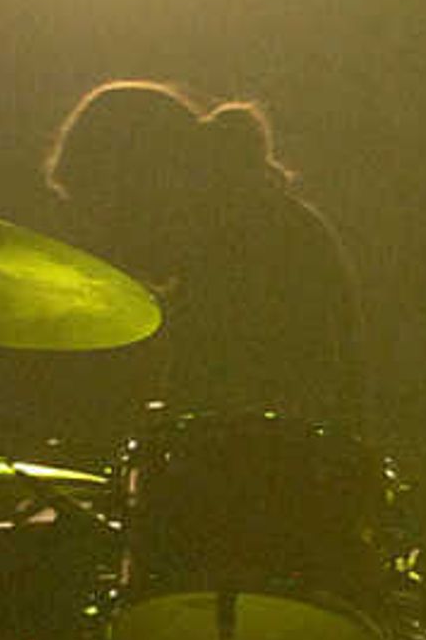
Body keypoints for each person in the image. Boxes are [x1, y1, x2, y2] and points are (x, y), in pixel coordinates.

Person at [42, 77, 369, 439]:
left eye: (98, 209)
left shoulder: (250, 256)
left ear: (143, 184)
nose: (101, 238)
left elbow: (233, 437)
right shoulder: (259, 230)